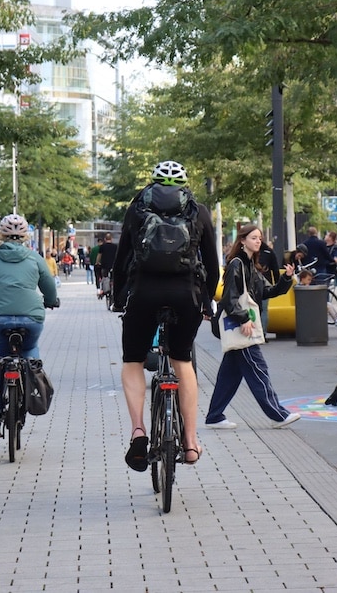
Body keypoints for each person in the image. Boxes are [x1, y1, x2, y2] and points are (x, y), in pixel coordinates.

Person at [112, 160, 220, 468]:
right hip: (186, 294)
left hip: (143, 292)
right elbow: (211, 264)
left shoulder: (137, 209)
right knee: (182, 360)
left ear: (153, 183)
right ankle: (189, 441)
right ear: (184, 184)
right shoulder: (197, 211)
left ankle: (137, 431)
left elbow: (122, 260)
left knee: (133, 360)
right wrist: (207, 300)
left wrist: (120, 298)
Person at [205, 224, 298, 430]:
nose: (258, 241)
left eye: (260, 238)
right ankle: (278, 415)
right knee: (258, 369)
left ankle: (214, 416)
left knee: (229, 375)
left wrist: (286, 278)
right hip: (241, 326)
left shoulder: (249, 265)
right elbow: (229, 298)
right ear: (243, 240)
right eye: (254, 238)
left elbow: (268, 292)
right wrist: (244, 318)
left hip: (240, 326)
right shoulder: (236, 264)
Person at [0, 214, 58, 437]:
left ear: (1, 236)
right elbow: (49, 287)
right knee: (30, 353)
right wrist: (50, 301)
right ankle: (33, 386)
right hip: (31, 320)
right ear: (25, 236)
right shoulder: (35, 257)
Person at [96, 233, 118, 297]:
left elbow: (99, 256)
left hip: (104, 265)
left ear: (105, 239)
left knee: (104, 277)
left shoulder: (102, 246)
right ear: (111, 239)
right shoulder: (115, 246)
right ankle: (114, 288)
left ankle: (104, 290)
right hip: (113, 265)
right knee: (114, 277)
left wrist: (97, 262)